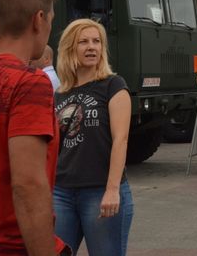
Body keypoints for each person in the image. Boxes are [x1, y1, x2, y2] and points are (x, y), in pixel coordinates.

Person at [0, 0, 68, 254]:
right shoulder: (28, 83)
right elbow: (27, 184)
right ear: (38, 19)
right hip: (6, 245)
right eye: (51, 23)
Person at [53, 18, 134, 255]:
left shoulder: (113, 85)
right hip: (61, 192)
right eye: (84, 42)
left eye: (97, 41)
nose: (92, 47)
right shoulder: (60, 93)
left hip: (100, 191)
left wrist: (112, 190)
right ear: (69, 48)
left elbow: (121, 139)